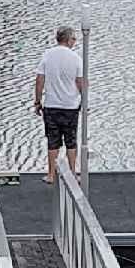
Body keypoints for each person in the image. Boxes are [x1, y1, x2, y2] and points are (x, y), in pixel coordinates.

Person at [33, 26, 86, 183]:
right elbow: (80, 82)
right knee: (71, 140)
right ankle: (72, 173)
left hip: (51, 105)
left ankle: (51, 175)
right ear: (68, 40)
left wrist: (37, 101)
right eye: (74, 39)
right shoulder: (76, 58)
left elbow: (39, 79)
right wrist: (85, 101)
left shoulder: (48, 55)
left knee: (52, 141)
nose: (75, 42)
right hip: (70, 105)